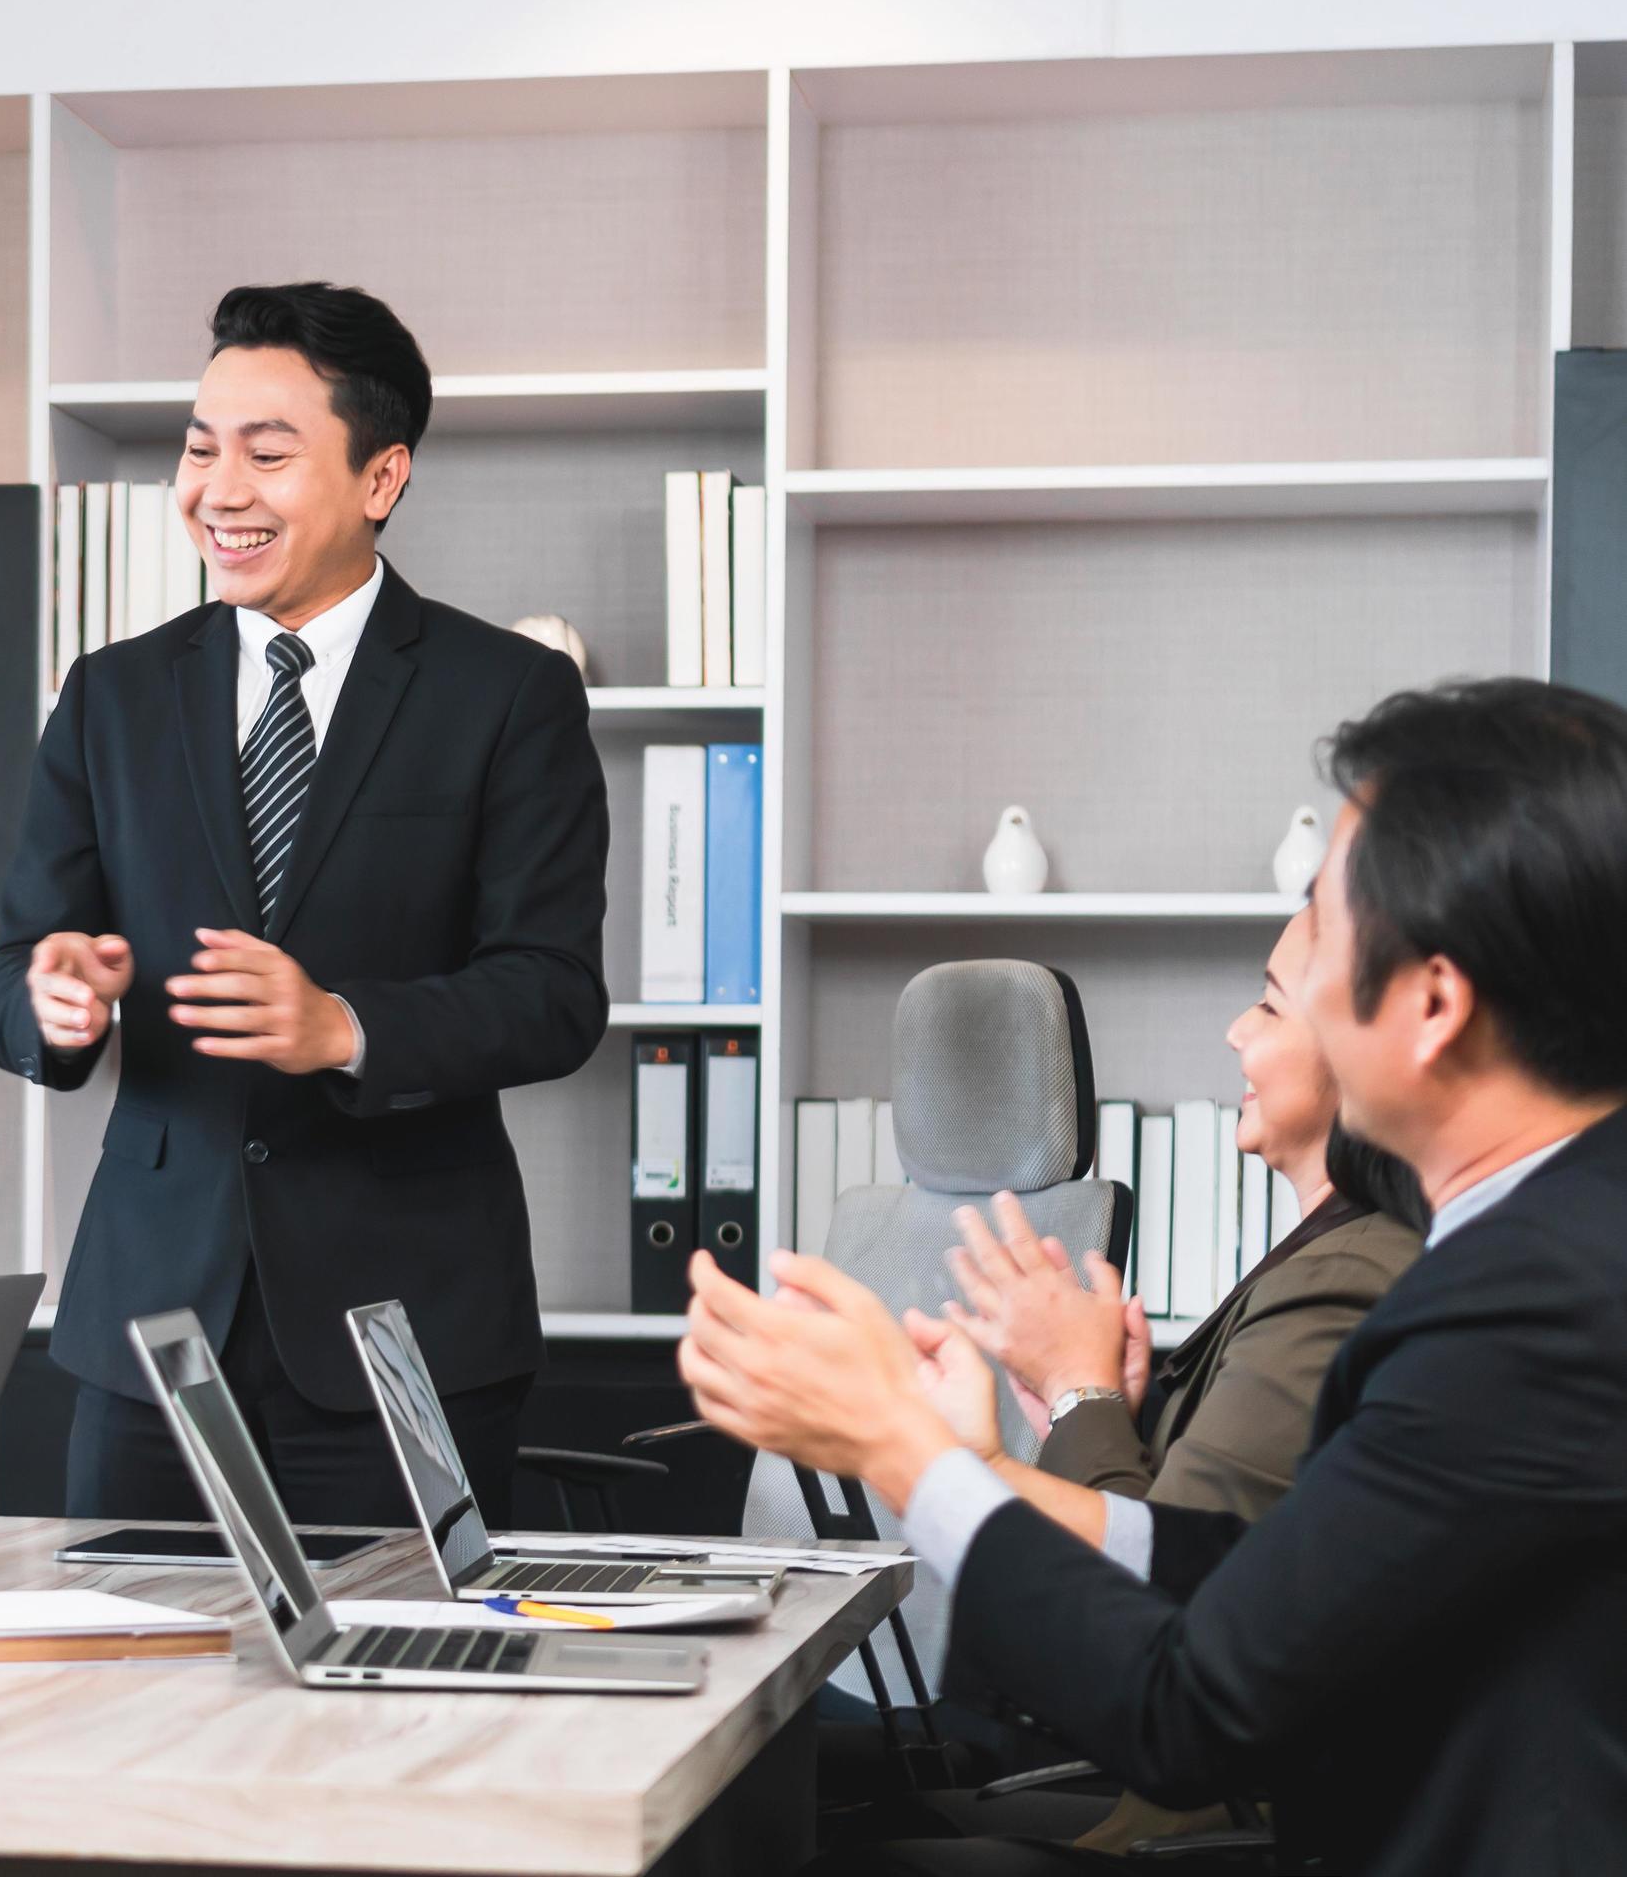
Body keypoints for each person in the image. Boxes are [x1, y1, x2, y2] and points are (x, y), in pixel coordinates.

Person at [677, 678, 1627, 1876]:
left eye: (1323, 936)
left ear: (1432, 1001)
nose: (1272, 1009)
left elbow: (1186, 1713)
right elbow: (1259, 1584)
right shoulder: (1554, 1245)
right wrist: (961, 1464)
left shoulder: (1524, 1306)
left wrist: (893, 1449)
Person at [0, 281, 609, 1525]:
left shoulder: (506, 694)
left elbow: (551, 994)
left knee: (400, 1702)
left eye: (267, 453)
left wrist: (344, 1029)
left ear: (379, 478)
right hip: (150, 1333)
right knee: (133, 1699)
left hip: (408, 1333)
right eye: (200, 449)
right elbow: (5, 975)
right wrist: (51, 1001)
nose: (219, 489)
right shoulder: (111, 697)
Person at [895, 907, 1425, 1853]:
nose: (1235, 1031)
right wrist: (1090, 1409)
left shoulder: (1343, 1278)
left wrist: (1076, 1396)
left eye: (1267, 1004)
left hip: (1207, 1815)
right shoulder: (1319, 1259)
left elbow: (1162, 1604)